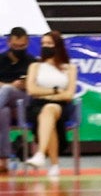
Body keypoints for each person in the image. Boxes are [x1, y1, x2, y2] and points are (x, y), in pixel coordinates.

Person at [20, 31, 75, 176]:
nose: (46, 46)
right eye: (43, 43)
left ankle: (40, 154)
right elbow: (31, 90)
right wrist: (55, 90)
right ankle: (54, 165)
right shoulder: (35, 66)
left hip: (61, 106)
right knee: (46, 112)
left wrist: (50, 95)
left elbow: (69, 94)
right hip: (37, 105)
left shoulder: (69, 68)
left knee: (50, 108)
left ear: (58, 46)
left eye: (49, 43)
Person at [0, 28, 36, 167]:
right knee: (3, 112)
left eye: (22, 46)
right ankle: (3, 159)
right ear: (9, 42)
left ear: (27, 43)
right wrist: (9, 84)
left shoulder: (32, 62)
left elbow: (34, 85)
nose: (19, 49)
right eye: (16, 46)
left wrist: (24, 84)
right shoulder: (1, 59)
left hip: (23, 101)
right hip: (5, 102)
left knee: (8, 89)